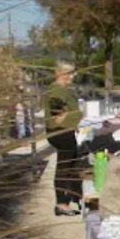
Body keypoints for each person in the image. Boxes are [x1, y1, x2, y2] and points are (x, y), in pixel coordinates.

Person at [45, 62, 83, 216]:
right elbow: (55, 111)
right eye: (71, 73)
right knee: (64, 168)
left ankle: (74, 196)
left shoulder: (60, 89)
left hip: (65, 131)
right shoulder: (58, 89)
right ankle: (61, 204)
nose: (73, 77)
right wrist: (67, 121)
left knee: (72, 165)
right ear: (62, 74)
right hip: (61, 133)